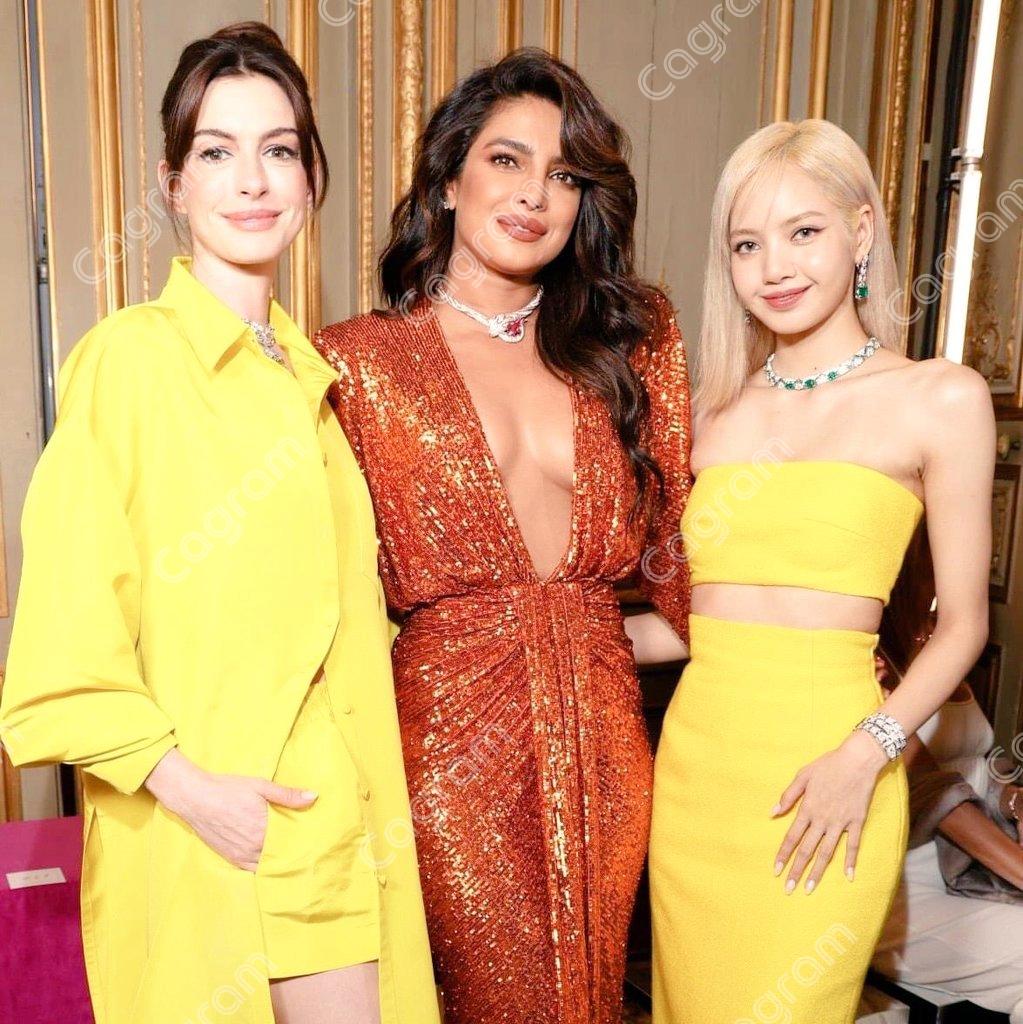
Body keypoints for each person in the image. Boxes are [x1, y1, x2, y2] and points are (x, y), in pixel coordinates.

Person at [0, 23, 438, 1024]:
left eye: (278, 149)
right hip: (212, 829)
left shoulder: (317, 383)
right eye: (216, 151)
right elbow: (67, 638)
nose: (251, 180)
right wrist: (196, 792)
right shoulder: (128, 363)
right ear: (174, 184)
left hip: (341, 821)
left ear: (310, 178)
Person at [314, 47, 692, 1024]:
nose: (534, 193)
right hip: (445, 753)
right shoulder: (355, 364)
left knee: (592, 992)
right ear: (448, 179)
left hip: (608, 748)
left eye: (564, 175)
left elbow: (691, 577)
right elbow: (311, 599)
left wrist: (592, 641)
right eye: (506, 160)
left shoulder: (633, 344)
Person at [645, 119, 995, 1024]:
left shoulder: (937, 397)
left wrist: (864, 753)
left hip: (834, 772)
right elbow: (689, 618)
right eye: (745, 244)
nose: (774, 267)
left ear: (860, 229)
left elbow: (964, 625)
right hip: (696, 778)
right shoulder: (707, 413)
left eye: (802, 231)